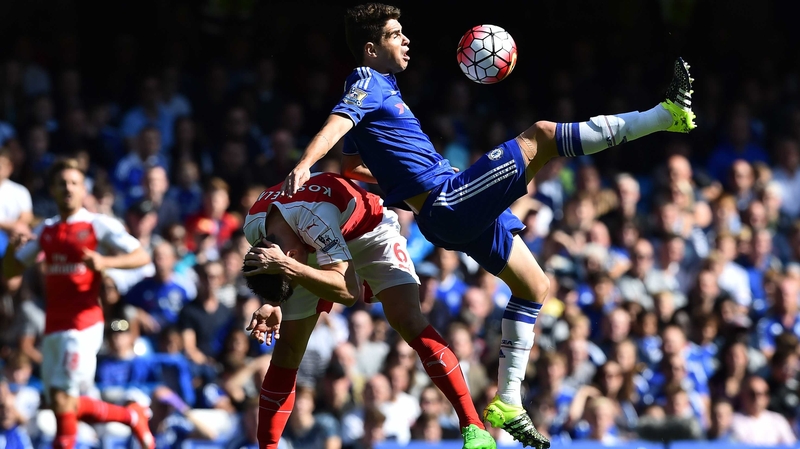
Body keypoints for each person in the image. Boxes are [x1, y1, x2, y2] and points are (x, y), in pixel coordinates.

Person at [278, 4, 697, 447]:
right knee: (542, 136)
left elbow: (354, 163)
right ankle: (665, 115)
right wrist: (306, 162)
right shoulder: (366, 81)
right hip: (448, 202)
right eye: (394, 34)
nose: (405, 40)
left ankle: (509, 401)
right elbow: (339, 120)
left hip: (448, 209)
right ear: (370, 47)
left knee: (535, 287)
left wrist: (398, 179)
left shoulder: (385, 91)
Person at [242, 172, 495, 449]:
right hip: (308, 247)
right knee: (288, 348)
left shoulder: (312, 218)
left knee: (407, 320)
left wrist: (293, 271)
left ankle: (472, 424)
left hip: (368, 231)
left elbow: (348, 292)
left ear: (286, 258)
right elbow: (279, 269)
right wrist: (276, 301)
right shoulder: (255, 228)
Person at [1, 158, 155, 449]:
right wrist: (11, 249)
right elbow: (10, 271)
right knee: (62, 404)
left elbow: (142, 256)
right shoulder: (47, 230)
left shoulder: (98, 224)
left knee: (64, 400)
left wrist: (105, 261)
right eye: (62, 184)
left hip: (83, 326)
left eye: (74, 183)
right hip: (53, 327)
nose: (68, 188)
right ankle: (131, 417)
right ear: (53, 190)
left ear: (83, 189)